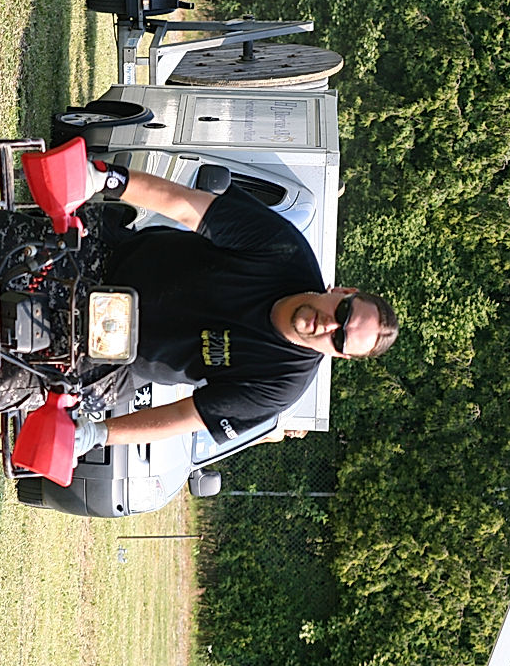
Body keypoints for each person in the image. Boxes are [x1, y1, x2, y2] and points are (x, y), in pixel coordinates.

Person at [65, 160, 398, 457]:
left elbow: (185, 417)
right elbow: (185, 206)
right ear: (342, 291)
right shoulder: (285, 249)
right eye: (343, 314)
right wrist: (104, 179)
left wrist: (97, 434)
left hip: (111, 358)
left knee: (22, 380)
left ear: (339, 356)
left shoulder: (279, 388)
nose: (330, 326)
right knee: (24, 242)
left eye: (340, 340)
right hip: (109, 260)